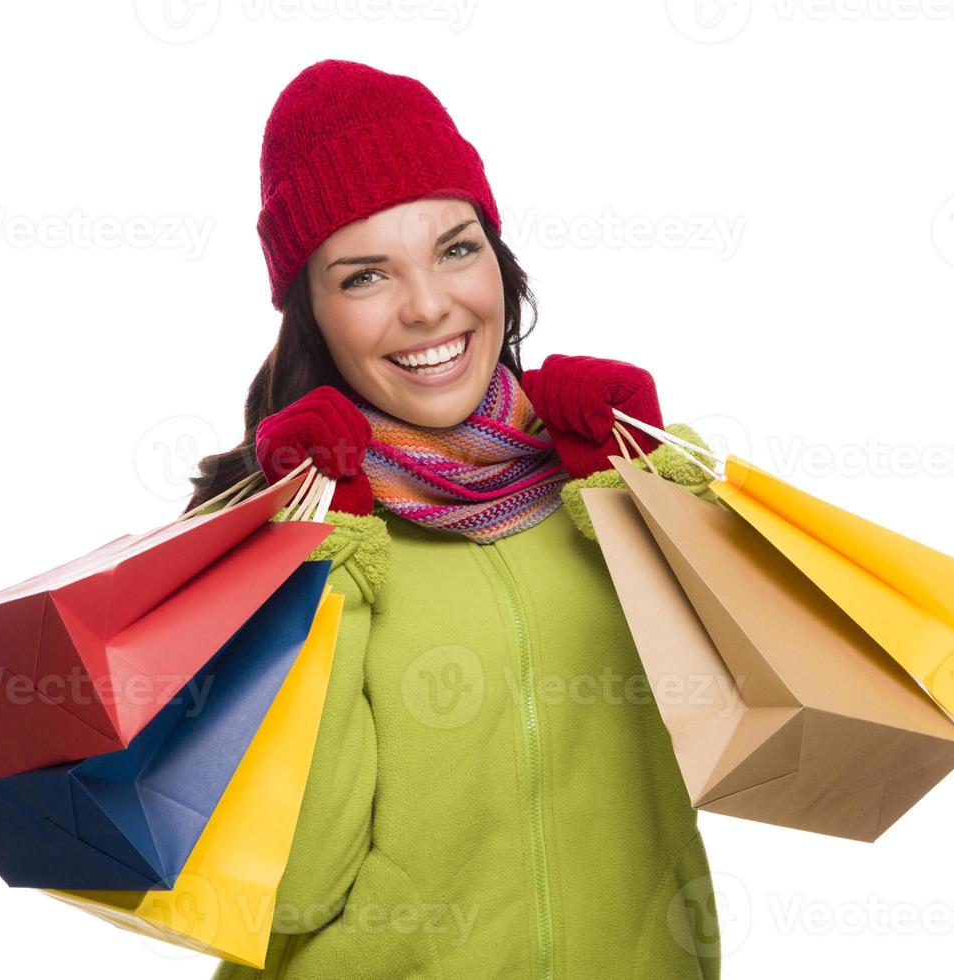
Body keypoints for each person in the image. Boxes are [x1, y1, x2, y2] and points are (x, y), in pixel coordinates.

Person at [187, 58, 722, 979]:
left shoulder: (602, 479)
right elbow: (296, 884)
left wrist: (646, 492)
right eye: (364, 276)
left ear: (499, 257)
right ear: (309, 313)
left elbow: (761, 728)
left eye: (455, 247)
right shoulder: (267, 534)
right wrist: (319, 554)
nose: (429, 304)